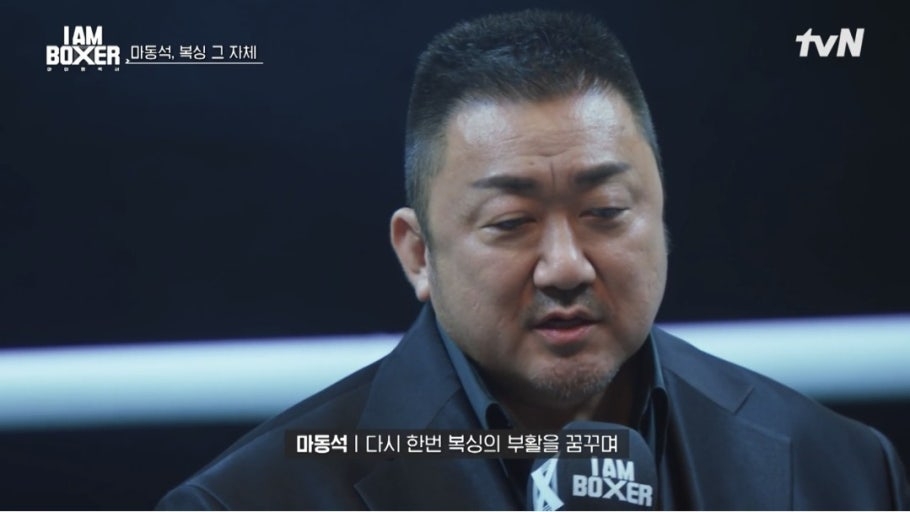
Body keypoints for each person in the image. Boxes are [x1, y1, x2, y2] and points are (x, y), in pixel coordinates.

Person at [158, 9, 910, 510]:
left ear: (660, 213)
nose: (565, 266)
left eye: (605, 212)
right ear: (418, 254)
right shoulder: (250, 501)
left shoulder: (845, 468)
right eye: (512, 222)